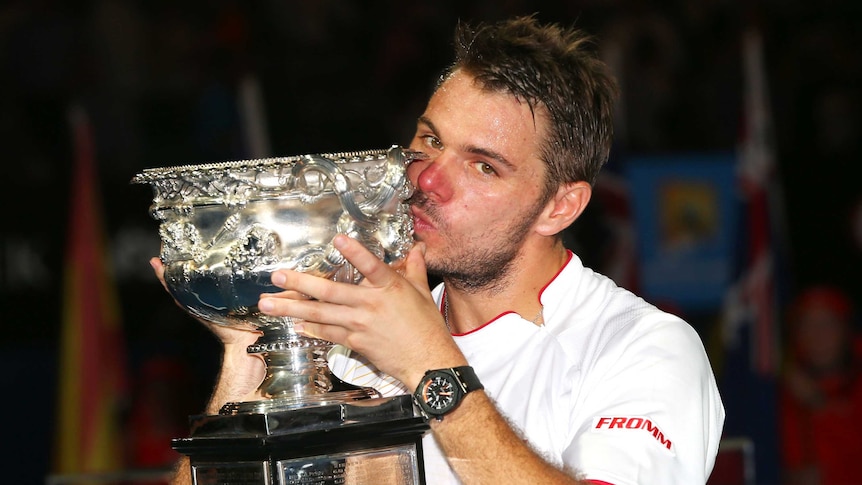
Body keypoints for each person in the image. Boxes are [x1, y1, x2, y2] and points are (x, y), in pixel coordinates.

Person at [152, 15, 725, 484]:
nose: (427, 180)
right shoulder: (351, 349)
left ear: (561, 207)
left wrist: (428, 363)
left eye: (483, 166)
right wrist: (254, 353)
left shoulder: (641, 347)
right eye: (429, 140)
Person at [779, 285, 862, 485]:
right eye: (808, 324)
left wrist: (820, 404)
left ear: (845, 330)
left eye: (828, 324)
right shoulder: (779, 394)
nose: (818, 335)